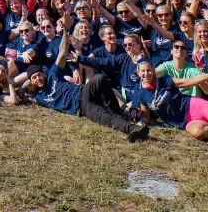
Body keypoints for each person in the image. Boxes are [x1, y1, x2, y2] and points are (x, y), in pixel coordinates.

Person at [20, 32, 151, 143]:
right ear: (31, 82)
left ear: (44, 74)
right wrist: (16, 86)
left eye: (39, 75)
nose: (38, 79)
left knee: (99, 78)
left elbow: (62, 53)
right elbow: (19, 97)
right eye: (34, 78)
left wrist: (65, 30)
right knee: (106, 118)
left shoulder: (53, 75)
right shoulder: (38, 97)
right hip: (81, 107)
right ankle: (133, 130)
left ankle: (118, 112)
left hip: (84, 91)